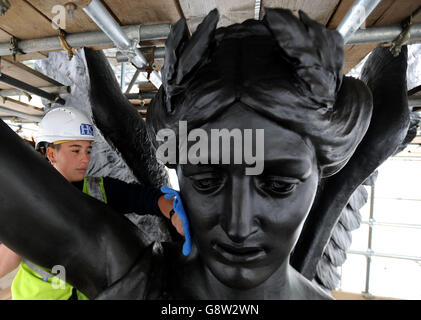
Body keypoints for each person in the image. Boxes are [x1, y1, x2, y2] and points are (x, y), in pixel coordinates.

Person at [0, 106, 184, 300]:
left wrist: (173, 210)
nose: (85, 159)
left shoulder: (100, 189)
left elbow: (146, 198)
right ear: (51, 154)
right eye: (76, 150)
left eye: (88, 150)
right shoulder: (31, 199)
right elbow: (8, 257)